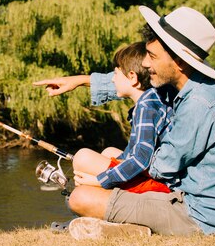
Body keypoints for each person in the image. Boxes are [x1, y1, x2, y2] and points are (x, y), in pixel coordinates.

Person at [34, 6, 215, 236]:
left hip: (197, 213)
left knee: (81, 197)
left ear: (179, 61)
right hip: (182, 189)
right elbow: (137, 84)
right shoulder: (189, 82)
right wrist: (79, 80)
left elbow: (159, 167)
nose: (146, 63)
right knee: (107, 154)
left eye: (153, 57)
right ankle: (123, 218)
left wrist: (102, 179)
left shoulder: (199, 104)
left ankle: (129, 229)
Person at [72, 41, 171, 196]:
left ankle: (100, 199)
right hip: (155, 178)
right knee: (108, 152)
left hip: (158, 188)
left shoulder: (146, 108)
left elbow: (141, 159)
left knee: (82, 158)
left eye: (116, 74)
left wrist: (100, 180)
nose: (112, 80)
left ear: (132, 77)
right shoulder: (153, 98)